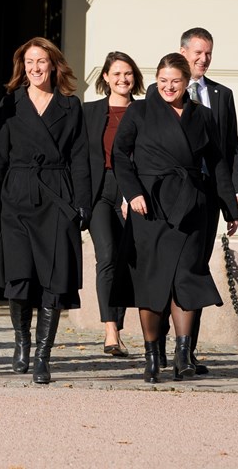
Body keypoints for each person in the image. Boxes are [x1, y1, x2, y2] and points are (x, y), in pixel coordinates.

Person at [112, 52, 238, 383]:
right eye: (164, 81)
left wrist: (229, 206)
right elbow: (120, 155)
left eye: (176, 82)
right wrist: (133, 192)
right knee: (153, 281)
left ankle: (183, 355)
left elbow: (217, 163)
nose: (169, 87)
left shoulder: (204, 116)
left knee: (187, 277)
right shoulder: (139, 110)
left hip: (194, 207)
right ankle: (153, 355)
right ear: (157, 80)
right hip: (150, 206)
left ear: (187, 83)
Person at [0, 37, 91, 385]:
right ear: (22, 67)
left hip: (57, 198)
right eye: (29, 62)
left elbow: (80, 160)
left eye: (41, 61)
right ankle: (22, 343)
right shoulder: (10, 104)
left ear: (53, 65)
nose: (36, 68)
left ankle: (43, 356)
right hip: (17, 197)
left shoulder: (71, 107)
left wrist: (82, 202)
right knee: (20, 276)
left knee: (53, 281)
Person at [155, 27, 238, 373]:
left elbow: (230, 149)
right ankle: (159, 345)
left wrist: (235, 192)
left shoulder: (222, 96)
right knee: (168, 269)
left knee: (194, 269)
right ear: (182, 52)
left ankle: (187, 352)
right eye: (197, 52)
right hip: (172, 196)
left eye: (208, 53)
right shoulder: (160, 96)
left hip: (209, 196)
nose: (203, 59)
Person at [83, 51, 145, 358]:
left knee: (126, 260)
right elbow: (77, 157)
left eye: (128, 73)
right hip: (98, 192)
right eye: (116, 73)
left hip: (130, 191)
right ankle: (110, 331)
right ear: (105, 77)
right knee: (105, 256)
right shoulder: (89, 112)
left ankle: (119, 328)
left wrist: (131, 193)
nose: (123, 79)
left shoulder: (145, 111)